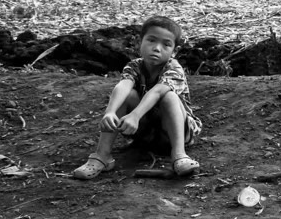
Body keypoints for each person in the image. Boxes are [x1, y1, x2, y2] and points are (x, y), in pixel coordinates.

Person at [72, 16, 202, 179]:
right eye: (151, 41)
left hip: (173, 133)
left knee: (169, 97)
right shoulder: (134, 65)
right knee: (128, 94)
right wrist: (110, 112)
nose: (157, 48)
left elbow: (157, 92)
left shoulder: (174, 68)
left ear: (174, 52)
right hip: (144, 133)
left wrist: (135, 115)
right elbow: (123, 85)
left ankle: (179, 155)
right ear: (139, 43)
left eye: (166, 44)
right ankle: (102, 155)